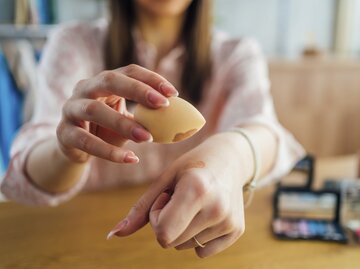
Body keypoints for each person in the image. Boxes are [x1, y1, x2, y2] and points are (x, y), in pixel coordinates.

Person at [1, 0, 304, 258]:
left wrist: (232, 155)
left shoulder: (236, 54)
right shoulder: (73, 43)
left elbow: (266, 132)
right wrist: (68, 150)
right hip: (82, 247)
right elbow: (27, 173)